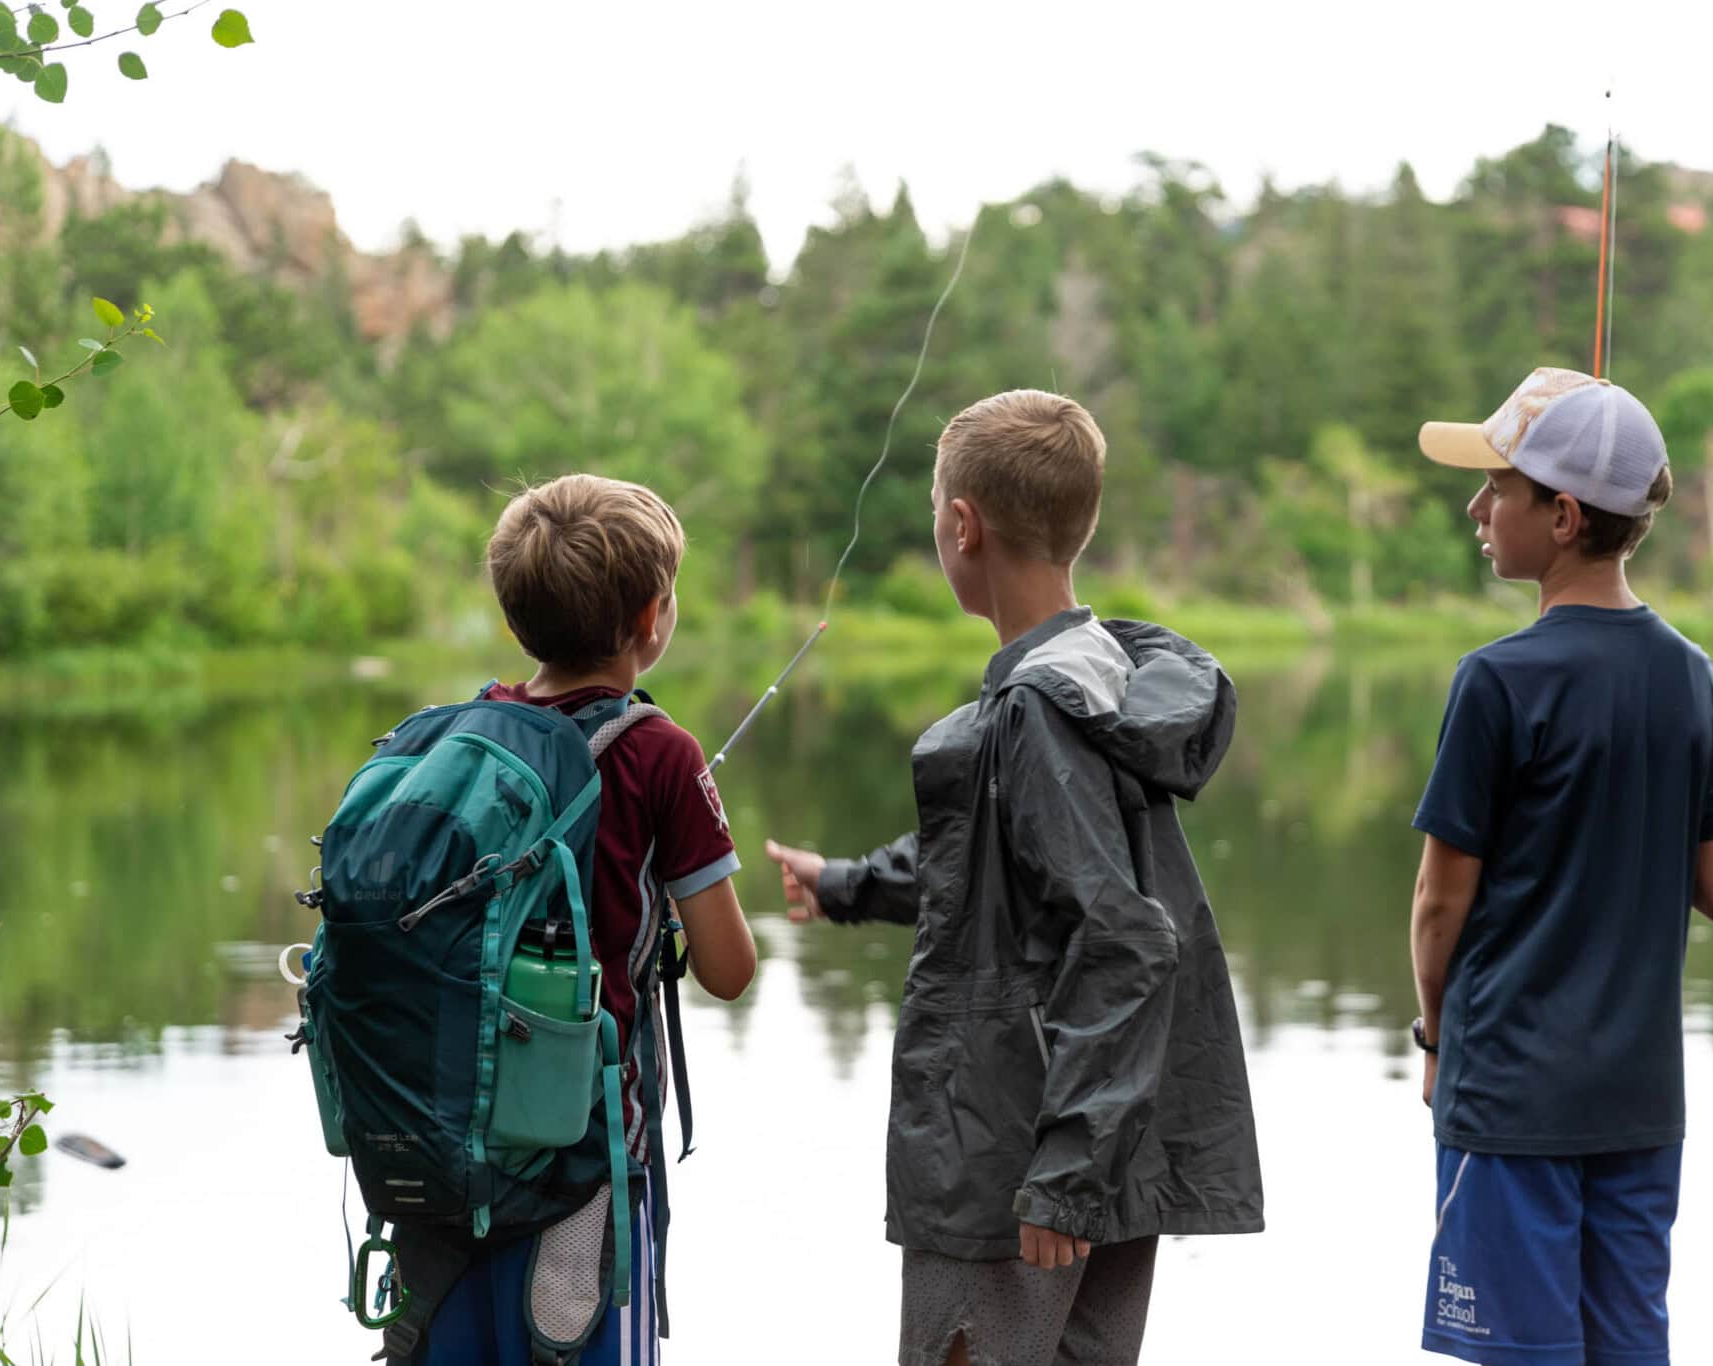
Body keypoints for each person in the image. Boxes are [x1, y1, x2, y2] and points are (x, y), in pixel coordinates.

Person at [764, 390, 1264, 1366]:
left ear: (962, 525)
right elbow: (1008, 869)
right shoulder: (1105, 675)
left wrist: (1065, 1171)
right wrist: (848, 883)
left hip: (1023, 1156)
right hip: (1103, 1137)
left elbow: (1120, 936)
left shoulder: (1038, 709)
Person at [1407, 368, 1713, 1366]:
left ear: (1560, 516)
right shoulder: (1698, 680)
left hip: (1510, 1100)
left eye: (1496, 489)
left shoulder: (1494, 681)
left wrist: (1434, 1036)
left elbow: (1438, 904)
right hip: (1639, 1103)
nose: (1477, 508)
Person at [420, 472, 758, 1365]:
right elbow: (730, 969)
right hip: (587, 1162)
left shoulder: (468, 731)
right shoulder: (661, 751)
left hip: (449, 1145)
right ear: (652, 620)